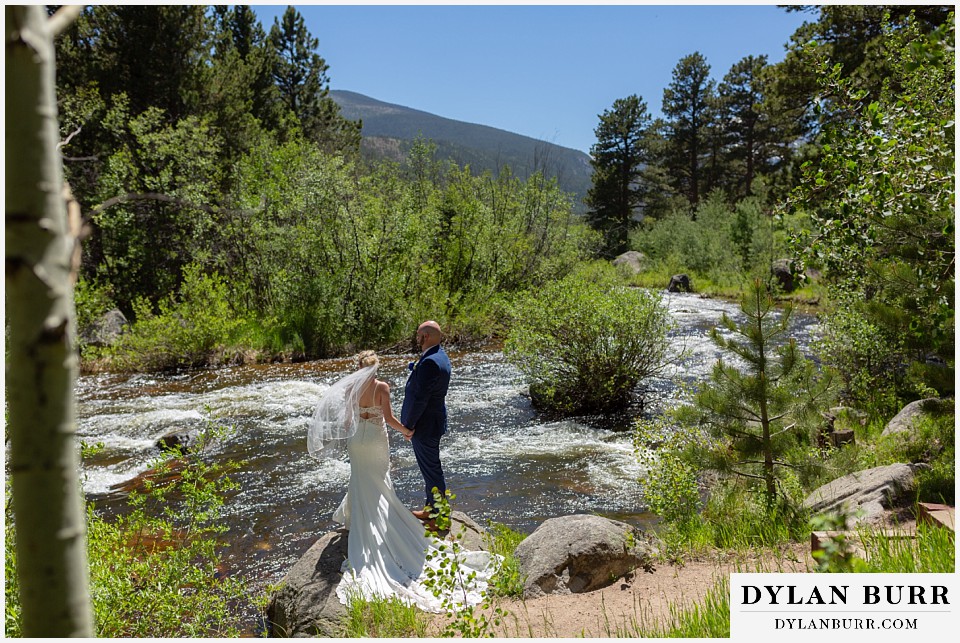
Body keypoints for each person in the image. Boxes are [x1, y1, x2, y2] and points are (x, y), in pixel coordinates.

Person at [307, 350, 498, 612]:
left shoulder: (351, 386)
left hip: (356, 442)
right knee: (381, 480)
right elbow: (388, 419)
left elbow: (349, 419)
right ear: (375, 368)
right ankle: (379, 521)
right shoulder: (382, 387)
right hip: (375, 440)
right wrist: (407, 431)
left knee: (360, 478)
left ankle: (357, 520)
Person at [400, 320, 451, 520]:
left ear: (426, 336)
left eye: (418, 335)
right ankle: (431, 508)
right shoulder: (441, 356)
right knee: (430, 468)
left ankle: (439, 515)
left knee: (432, 470)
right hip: (433, 421)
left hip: (425, 424)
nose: (417, 339)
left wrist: (408, 426)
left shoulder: (430, 361)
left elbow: (420, 398)